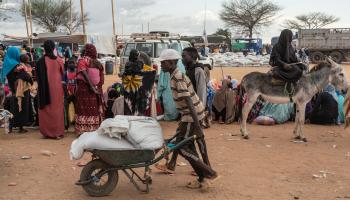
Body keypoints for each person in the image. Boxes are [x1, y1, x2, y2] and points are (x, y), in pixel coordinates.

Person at [158, 49, 218, 190]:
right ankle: (202, 178)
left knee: (183, 148)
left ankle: (209, 173)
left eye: (163, 62)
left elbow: (189, 101)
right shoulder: (174, 76)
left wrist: (197, 125)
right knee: (187, 146)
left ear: (171, 63)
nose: (161, 65)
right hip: (188, 116)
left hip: (192, 116)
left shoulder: (177, 77)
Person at [36, 40, 65, 139]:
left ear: (44, 48)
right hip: (56, 87)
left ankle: (46, 132)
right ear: (53, 48)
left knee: (46, 109)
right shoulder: (59, 60)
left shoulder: (40, 61)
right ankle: (57, 132)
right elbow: (62, 73)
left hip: (44, 88)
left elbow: (37, 76)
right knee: (57, 109)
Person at [75, 44, 104, 134]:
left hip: (84, 89)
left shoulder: (82, 61)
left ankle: (83, 129)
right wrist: (97, 87)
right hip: (95, 89)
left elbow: (85, 75)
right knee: (93, 109)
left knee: (83, 109)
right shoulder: (97, 62)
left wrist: (91, 86)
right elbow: (102, 77)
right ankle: (94, 128)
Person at [2, 47, 32, 133]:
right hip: (17, 90)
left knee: (9, 109)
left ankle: (9, 128)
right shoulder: (16, 65)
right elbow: (24, 76)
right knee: (19, 108)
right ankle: (20, 128)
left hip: (8, 90)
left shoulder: (6, 63)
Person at [122, 49, 147, 116]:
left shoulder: (128, 64)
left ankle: (129, 114)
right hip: (138, 85)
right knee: (138, 100)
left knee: (129, 100)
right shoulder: (141, 63)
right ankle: (137, 114)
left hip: (129, 86)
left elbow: (126, 74)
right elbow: (143, 72)